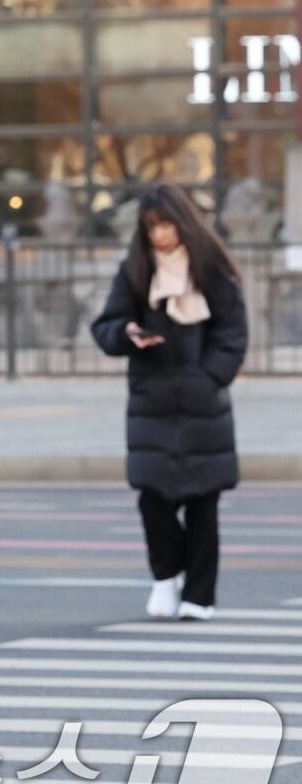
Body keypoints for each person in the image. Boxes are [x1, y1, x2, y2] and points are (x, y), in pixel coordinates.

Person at [92, 184, 247, 622]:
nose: (160, 235)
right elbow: (107, 326)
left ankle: (200, 595)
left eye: (166, 225)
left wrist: (209, 378)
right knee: (153, 499)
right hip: (152, 403)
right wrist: (129, 334)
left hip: (203, 406)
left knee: (203, 504)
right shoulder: (136, 269)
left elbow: (233, 334)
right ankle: (166, 575)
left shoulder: (212, 268)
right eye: (152, 227)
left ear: (184, 223)